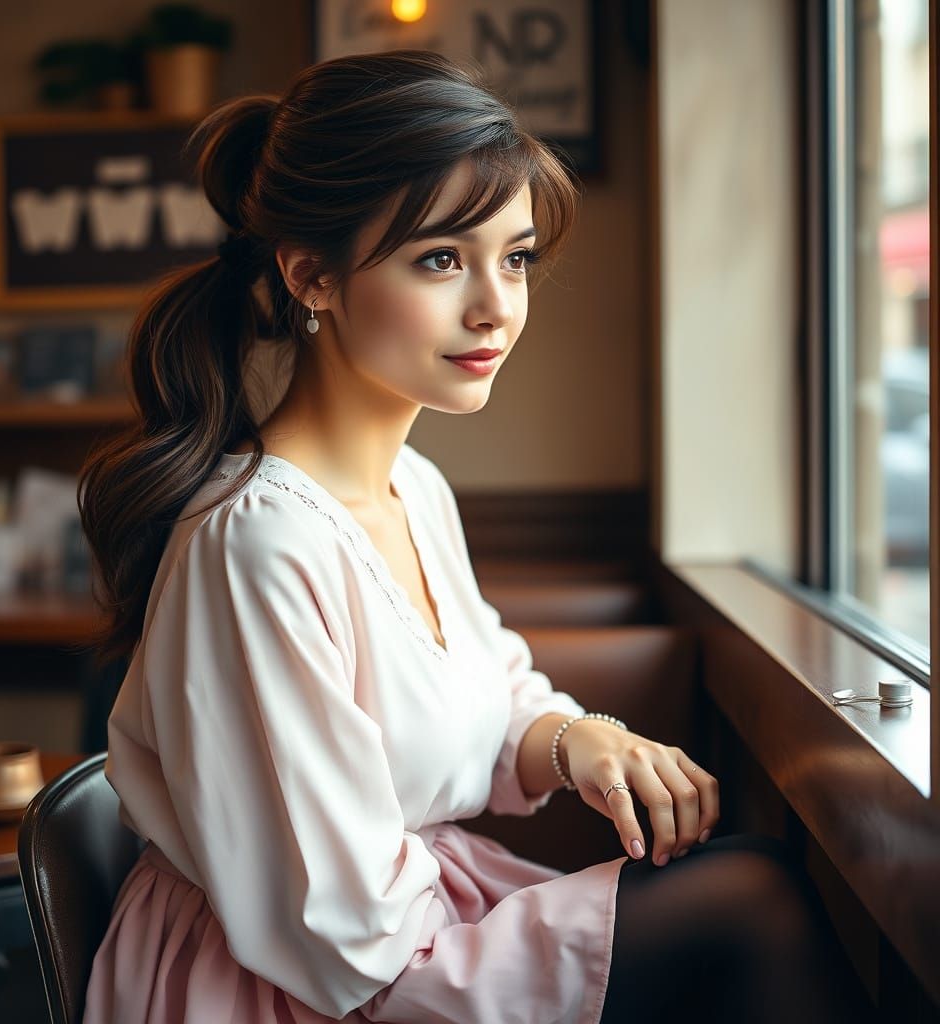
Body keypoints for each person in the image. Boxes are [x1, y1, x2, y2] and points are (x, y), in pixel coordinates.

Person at [78, 50, 878, 1024]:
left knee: (744, 887)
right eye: (441, 259)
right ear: (311, 276)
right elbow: (339, 937)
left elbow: (489, 692)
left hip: (389, 930)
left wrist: (573, 735)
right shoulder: (255, 544)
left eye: (516, 257)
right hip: (290, 985)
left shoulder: (412, 486)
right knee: (747, 904)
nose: (497, 305)